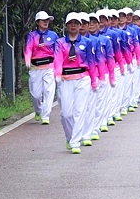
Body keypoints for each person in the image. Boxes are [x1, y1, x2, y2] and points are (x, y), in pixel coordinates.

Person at [53, 13, 97, 154]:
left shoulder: (87, 42)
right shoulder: (60, 42)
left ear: (80, 26)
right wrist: (58, 75)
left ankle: (75, 142)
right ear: (66, 25)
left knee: (79, 111)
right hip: (66, 79)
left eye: (76, 23)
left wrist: (94, 80)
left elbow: (91, 62)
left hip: (82, 78)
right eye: (70, 23)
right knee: (66, 113)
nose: (73, 25)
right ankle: (70, 137)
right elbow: (58, 59)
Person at [24, 11, 59, 125]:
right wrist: (27, 60)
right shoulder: (32, 35)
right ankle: (38, 110)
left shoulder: (53, 35)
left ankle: (46, 115)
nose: (46, 22)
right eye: (43, 20)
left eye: (47, 20)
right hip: (35, 68)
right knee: (36, 94)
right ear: (37, 22)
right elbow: (28, 48)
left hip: (49, 67)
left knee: (49, 91)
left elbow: (58, 51)